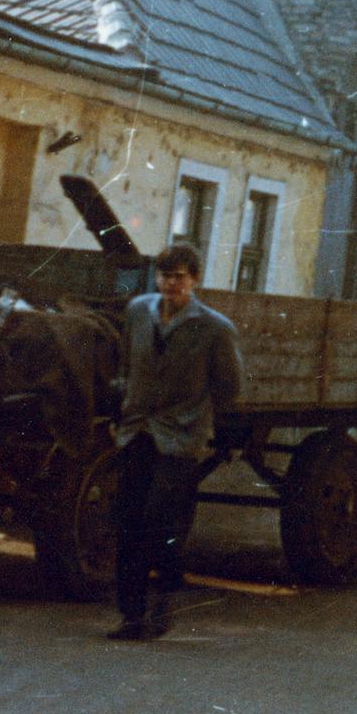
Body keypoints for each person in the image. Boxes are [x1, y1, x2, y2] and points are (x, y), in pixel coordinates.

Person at [107, 243, 242, 641]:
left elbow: (229, 387)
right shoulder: (137, 312)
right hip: (136, 432)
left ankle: (163, 603)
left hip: (179, 439)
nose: (171, 284)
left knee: (159, 522)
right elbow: (126, 367)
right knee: (128, 521)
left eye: (180, 277)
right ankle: (131, 616)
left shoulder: (215, 328)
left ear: (195, 280)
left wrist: (201, 423)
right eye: (165, 276)